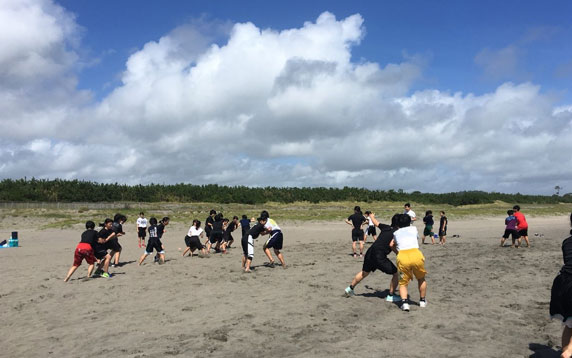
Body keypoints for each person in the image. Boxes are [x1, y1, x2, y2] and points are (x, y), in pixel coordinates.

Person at [344, 213, 400, 302]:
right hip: (379, 255)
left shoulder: (386, 227)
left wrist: (371, 216)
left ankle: (349, 289)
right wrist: (399, 253)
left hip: (370, 252)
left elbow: (375, 222)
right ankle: (390, 295)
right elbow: (392, 245)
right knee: (396, 273)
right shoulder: (398, 233)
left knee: (364, 272)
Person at [392, 214, 427, 312]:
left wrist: (397, 252)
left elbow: (391, 244)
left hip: (402, 256)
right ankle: (422, 301)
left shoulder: (396, 233)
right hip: (415, 254)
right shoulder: (414, 229)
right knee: (421, 278)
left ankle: (405, 303)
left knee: (403, 283)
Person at [550, 213, 572, 358]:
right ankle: (568, 352)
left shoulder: (567, 242)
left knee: (569, 324)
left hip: (562, 282)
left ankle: (566, 351)